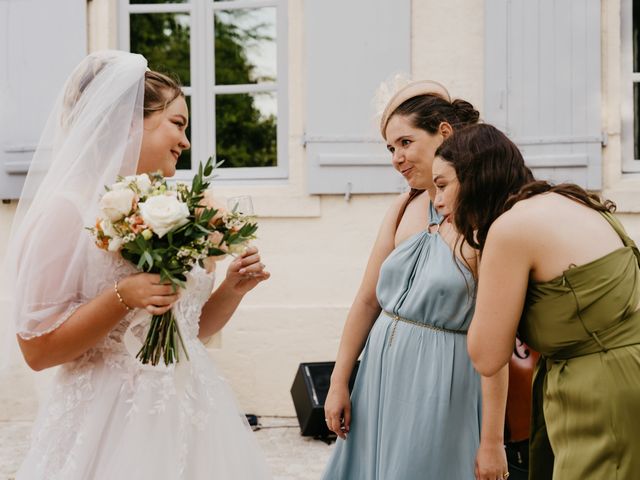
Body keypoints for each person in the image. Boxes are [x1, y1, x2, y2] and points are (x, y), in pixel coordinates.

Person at [5, 51, 272, 479]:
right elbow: (37, 351)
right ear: (126, 121)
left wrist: (232, 289)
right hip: (109, 426)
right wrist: (121, 297)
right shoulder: (65, 213)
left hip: (193, 415)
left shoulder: (174, 209)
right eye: (177, 124)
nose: (186, 142)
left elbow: (189, 331)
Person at [322, 80, 509, 480]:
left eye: (405, 142)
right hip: (378, 374)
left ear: (443, 132)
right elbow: (367, 301)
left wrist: (492, 441)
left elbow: (496, 346)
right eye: (391, 149)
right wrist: (340, 380)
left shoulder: (489, 219)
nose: (396, 158)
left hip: (444, 383)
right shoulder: (403, 206)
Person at [434, 123, 640, 479]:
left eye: (441, 186)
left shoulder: (509, 229)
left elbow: (486, 356)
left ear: (474, 179)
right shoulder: (571, 199)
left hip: (600, 393)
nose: (436, 202)